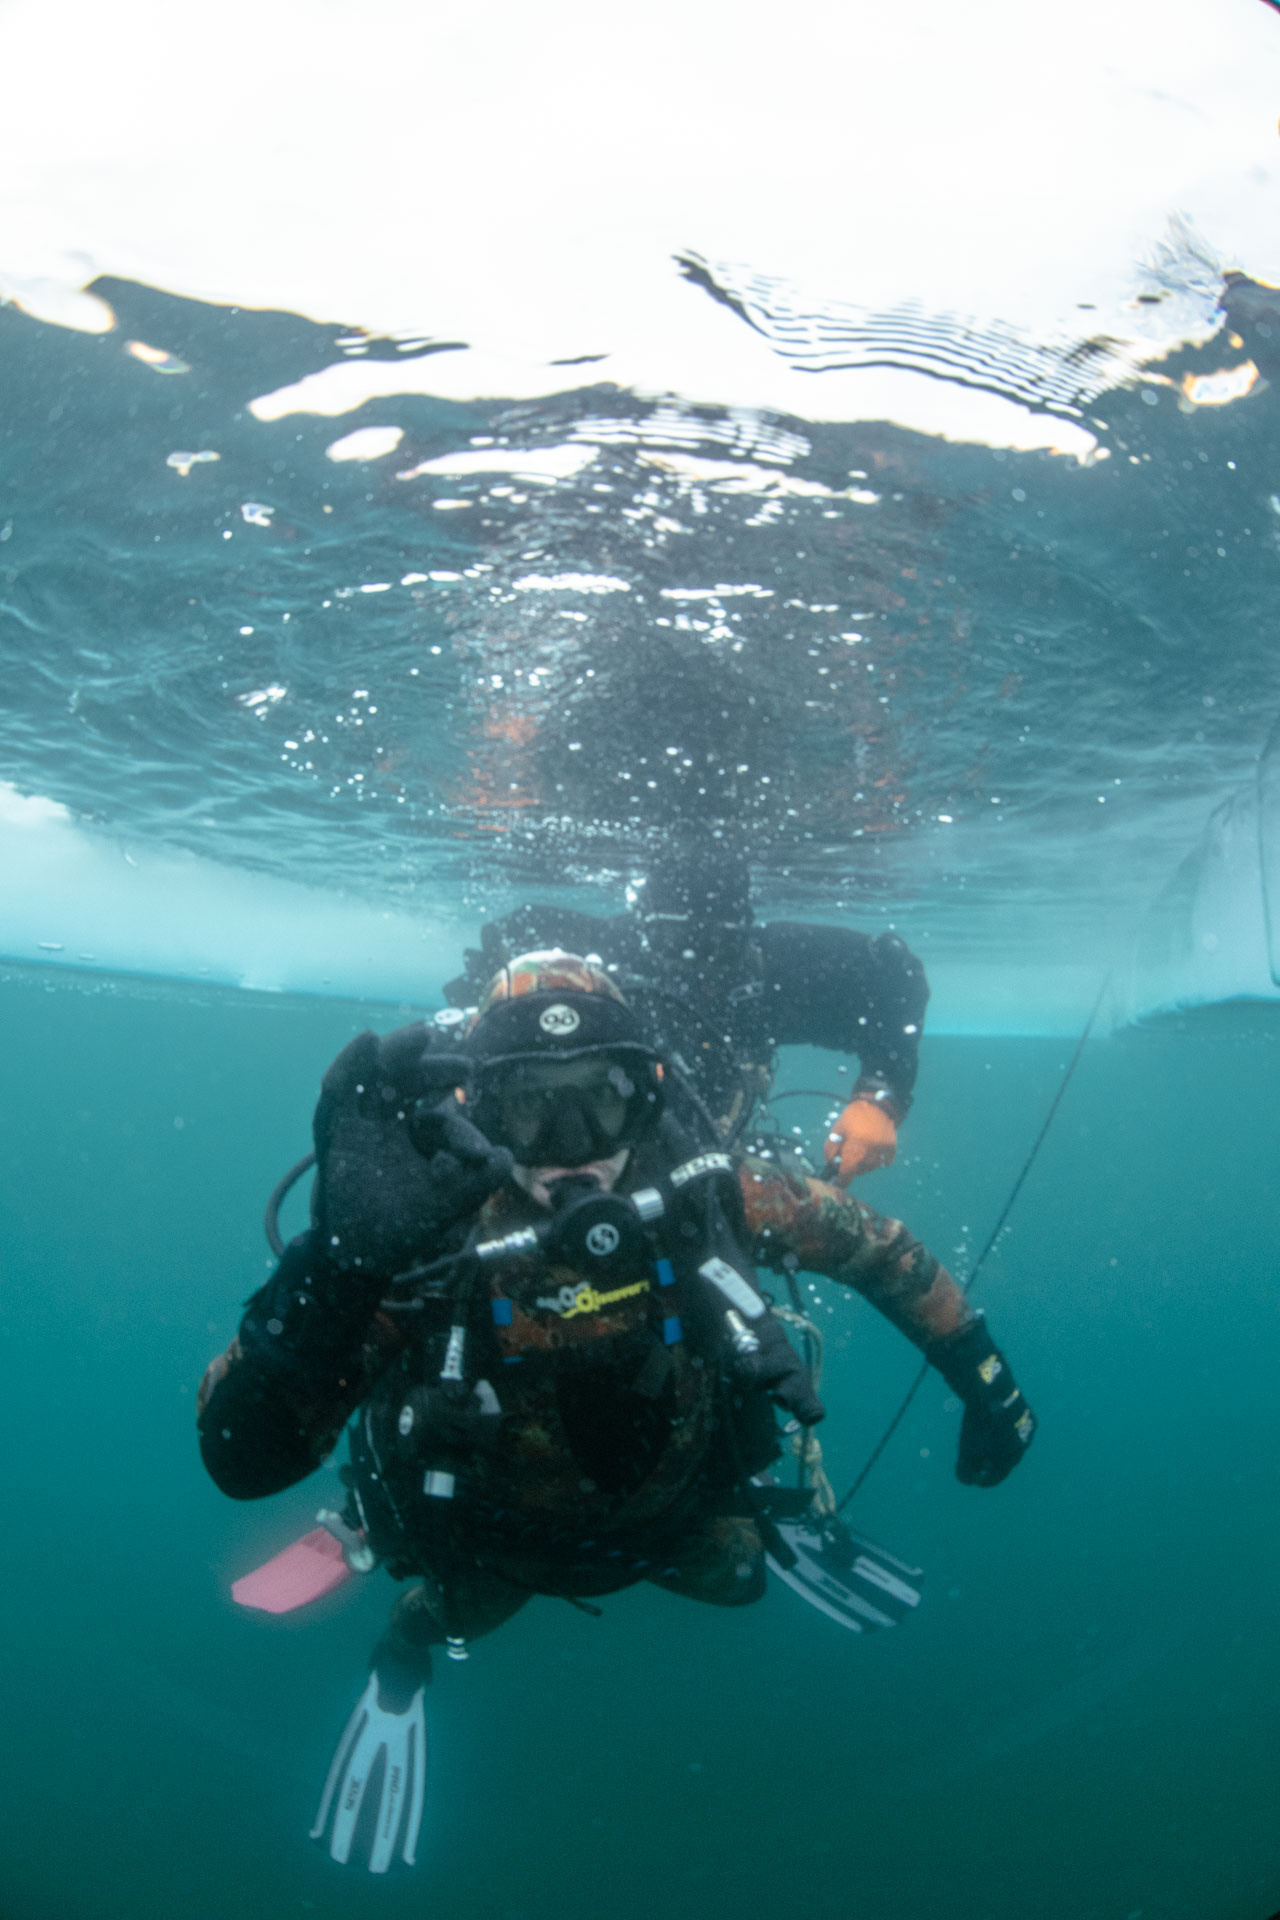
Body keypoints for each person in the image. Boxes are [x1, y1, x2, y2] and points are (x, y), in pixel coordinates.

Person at [197, 953, 1034, 1873]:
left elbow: (882, 1250)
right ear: (479, 1109)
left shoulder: (711, 1195)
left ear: (651, 1096)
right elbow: (244, 1459)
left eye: (602, 1101)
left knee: (742, 1577)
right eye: (528, 1110)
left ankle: (780, 1535)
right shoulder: (428, 1237)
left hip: (676, 1520)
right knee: (441, 1616)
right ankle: (402, 1664)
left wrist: (984, 1379)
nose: (572, 1149)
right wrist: (336, 1267)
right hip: (490, 1545)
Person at [443, 838, 928, 1183]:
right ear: (644, 930)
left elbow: (894, 977)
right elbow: (497, 954)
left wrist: (880, 1097)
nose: (700, 966)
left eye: (721, 944)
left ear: (747, 936)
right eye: (676, 940)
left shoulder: (770, 974)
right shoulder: (602, 959)